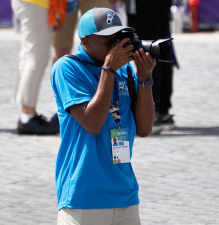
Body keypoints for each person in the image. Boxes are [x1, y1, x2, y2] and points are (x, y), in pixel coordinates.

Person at [51, 8, 155, 225]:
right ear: (86, 42)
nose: (117, 47)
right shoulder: (68, 68)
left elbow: (144, 128)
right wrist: (108, 70)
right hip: (84, 197)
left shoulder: (124, 70)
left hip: (125, 195)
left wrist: (144, 79)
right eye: (109, 42)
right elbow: (92, 123)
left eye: (119, 39)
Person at [11, 0, 66, 135]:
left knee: (29, 55)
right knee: (36, 57)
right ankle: (27, 116)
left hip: (31, 3)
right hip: (36, 3)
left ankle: (27, 114)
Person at [126, 0, 177, 134]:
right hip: (160, 7)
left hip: (143, 7)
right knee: (159, 49)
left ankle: (152, 113)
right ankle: (162, 111)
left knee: (145, 51)